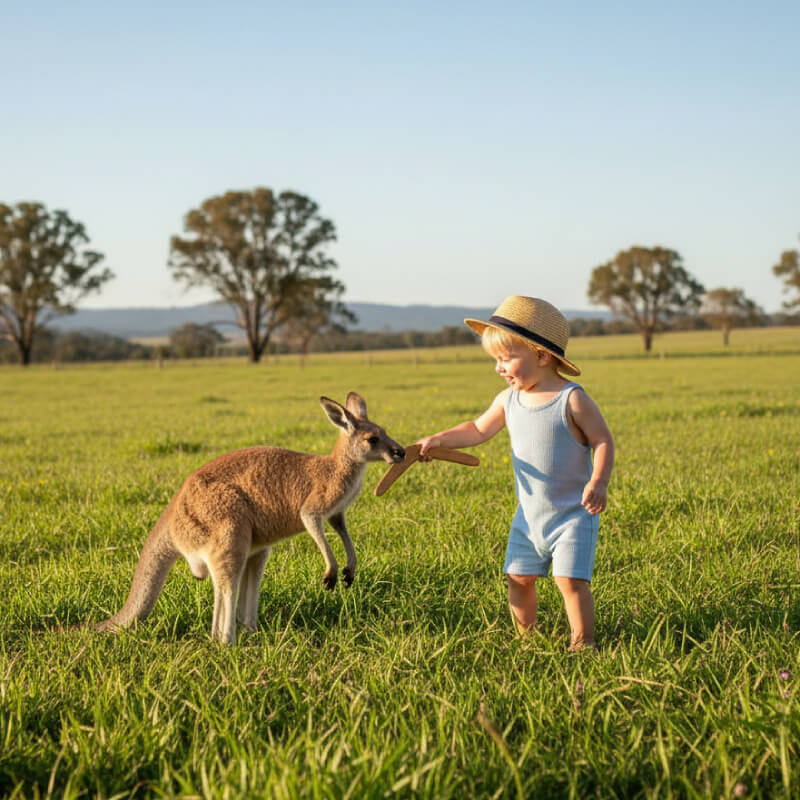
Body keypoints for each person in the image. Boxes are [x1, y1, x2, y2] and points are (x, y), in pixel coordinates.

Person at [416, 296, 614, 650]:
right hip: (529, 517)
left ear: (541, 356)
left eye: (506, 359)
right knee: (518, 578)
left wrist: (598, 481)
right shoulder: (508, 400)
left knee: (569, 581)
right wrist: (437, 439)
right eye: (496, 360)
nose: (499, 368)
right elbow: (477, 430)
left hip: (572, 515)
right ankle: (528, 639)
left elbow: (602, 441)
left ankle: (583, 643)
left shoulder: (572, 399)